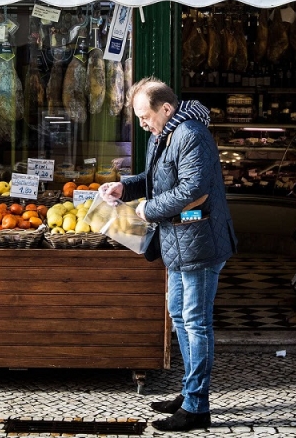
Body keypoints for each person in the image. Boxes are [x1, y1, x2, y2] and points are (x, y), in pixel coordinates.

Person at [98, 77, 236, 432]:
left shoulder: (191, 135)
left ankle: (197, 407)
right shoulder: (163, 134)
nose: (143, 124)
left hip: (200, 241)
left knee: (196, 321)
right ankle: (189, 393)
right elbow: (155, 178)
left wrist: (149, 209)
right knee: (179, 313)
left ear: (166, 109)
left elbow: (194, 190)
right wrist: (124, 187)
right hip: (177, 241)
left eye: (145, 117)